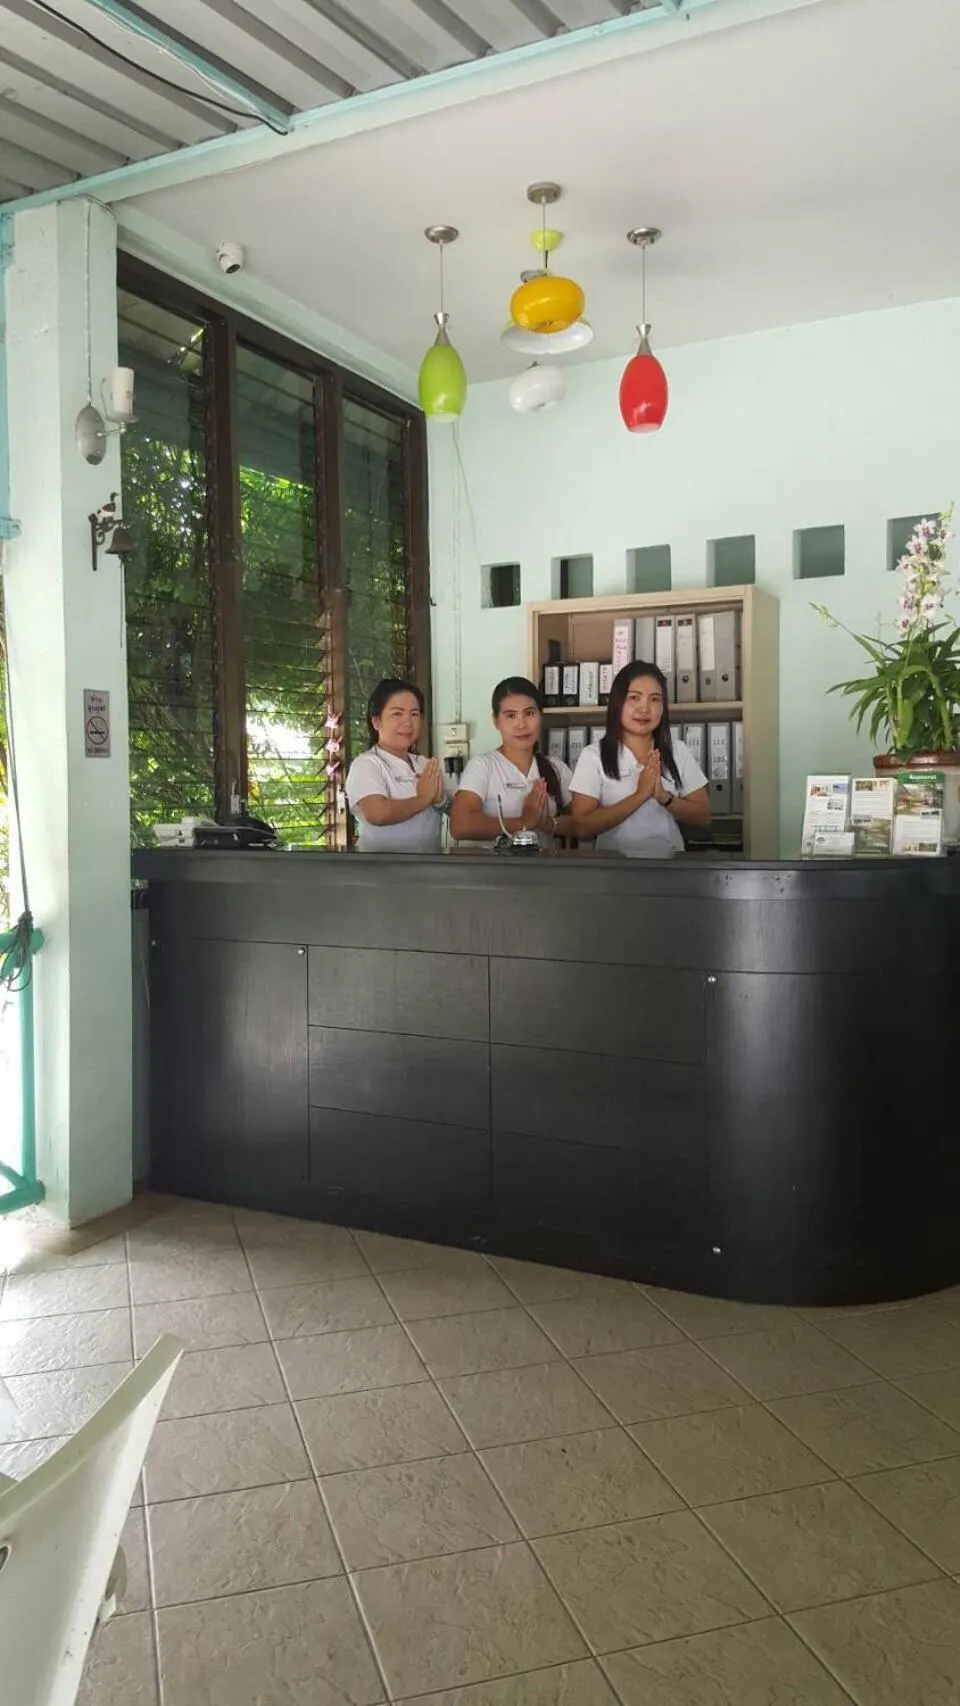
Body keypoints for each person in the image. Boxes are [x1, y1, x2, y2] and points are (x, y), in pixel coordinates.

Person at [569, 660, 710, 854]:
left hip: (669, 865)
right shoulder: (593, 756)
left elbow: (703, 816)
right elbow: (582, 827)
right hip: (613, 870)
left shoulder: (678, 751)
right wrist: (640, 796)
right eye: (634, 698)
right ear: (618, 703)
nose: (644, 709)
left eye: (654, 699)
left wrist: (664, 797)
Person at [450, 676, 574, 847]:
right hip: (494, 871)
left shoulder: (556, 768)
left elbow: (584, 823)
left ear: (540, 716)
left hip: (545, 870)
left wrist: (548, 823)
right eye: (510, 716)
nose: (521, 724)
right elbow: (460, 826)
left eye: (529, 713)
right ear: (496, 721)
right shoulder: (482, 767)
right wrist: (524, 822)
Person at [345, 678, 447, 852]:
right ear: (376, 721)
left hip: (429, 870)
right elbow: (377, 814)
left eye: (414, 714)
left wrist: (440, 801)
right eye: (397, 714)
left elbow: (454, 808)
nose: (408, 722)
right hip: (384, 872)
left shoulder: (425, 764)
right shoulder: (366, 764)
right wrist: (423, 799)